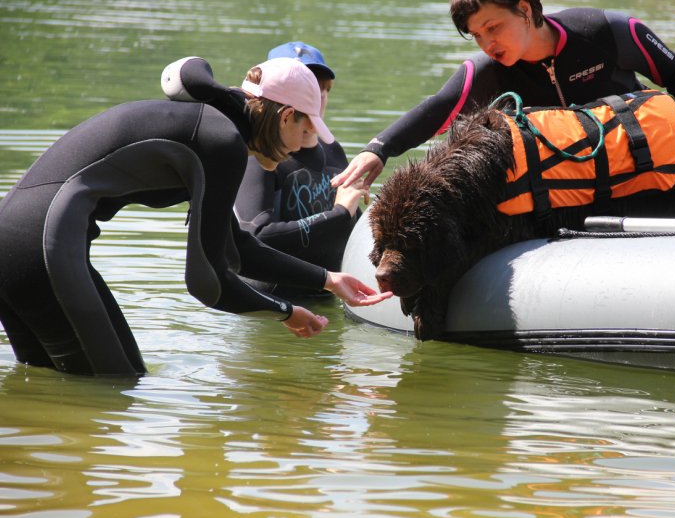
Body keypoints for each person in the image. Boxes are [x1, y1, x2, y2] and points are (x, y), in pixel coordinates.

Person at [0, 56, 391, 377]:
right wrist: (283, 311)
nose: (305, 146)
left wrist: (328, 280)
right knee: (113, 390)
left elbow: (235, 247)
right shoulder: (222, 141)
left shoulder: (211, 128)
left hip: (21, 243)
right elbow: (206, 282)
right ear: (286, 116)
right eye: (307, 131)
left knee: (43, 386)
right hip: (43, 246)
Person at [332, 0, 675, 190]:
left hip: (642, 169)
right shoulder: (489, 71)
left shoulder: (608, 32)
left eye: (493, 27)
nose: (486, 43)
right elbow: (440, 107)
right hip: (567, 188)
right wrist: (378, 149)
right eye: (476, 35)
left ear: (525, 10)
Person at [233, 42, 362, 298]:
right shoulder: (260, 154)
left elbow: (347, 224)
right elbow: (254, 235)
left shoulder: (333, 149)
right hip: (269, 305)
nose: (317, 97)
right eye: (308, 86)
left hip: (328, 295)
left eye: (323, 88)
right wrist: (338, 215)